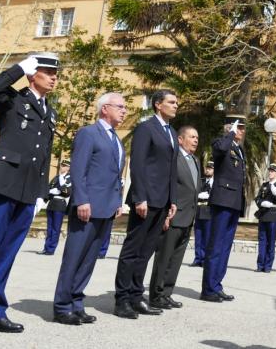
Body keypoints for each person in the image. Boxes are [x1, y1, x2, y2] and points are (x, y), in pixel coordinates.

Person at [0, 52, 59, 338]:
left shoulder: (49, 111)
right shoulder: (13, 99)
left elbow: (44, 154)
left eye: (55, 74)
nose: (54, 78)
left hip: (28, 190)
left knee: (7, 254)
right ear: (33, 74)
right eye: (47, 72)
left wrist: (42, 192)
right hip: (3, 183)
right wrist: (18, 68)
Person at [52, 92, 126, 325]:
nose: (124, 111)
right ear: (105, 108)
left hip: (107, 208)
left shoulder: (117, 140)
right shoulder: (88, 133)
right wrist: (81, 200)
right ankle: (62, 306)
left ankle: (76, 302)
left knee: (89, 260)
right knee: (74, 257)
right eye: (120, 107)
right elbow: (78, 169)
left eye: (125, 107)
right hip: (88, 207)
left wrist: (117, 202)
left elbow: (114, 176)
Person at [113, 89, 178, 319]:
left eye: (176, 102)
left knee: (147, 251)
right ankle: (122, 300)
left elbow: (171, 169)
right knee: (133, 249)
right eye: (171, 102)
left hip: (162, 201)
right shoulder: (146, 128)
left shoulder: (171, 132)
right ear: (158, 105)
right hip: (146, 200)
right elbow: (138, 165)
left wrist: (173, 200)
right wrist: (140, 197)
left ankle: (135, 295)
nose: (175, 105)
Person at [148, 125, 201, 309]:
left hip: (188, 218)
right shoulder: (173, 158)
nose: (195, 140)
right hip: (173, 216)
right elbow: (166, 186)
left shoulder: (195, 160)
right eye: (192, 137)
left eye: (197, 137)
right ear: (180, 139)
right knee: (164, 258)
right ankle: (155, 295)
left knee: (176, 259)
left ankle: (167, 293)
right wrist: (164, 214)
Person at [200, 115, 247, 302]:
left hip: (234, 201)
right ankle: (208, 289)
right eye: (239, 127)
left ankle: (216, 285)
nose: (242, 131)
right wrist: (230, 133)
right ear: (231, 127)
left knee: (225, 247)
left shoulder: (238, 149)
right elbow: (219, 149)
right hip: (222, 200)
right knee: (216, 245)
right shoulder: (221, 142)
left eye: (242, 128)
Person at [255, 163, 276, 273]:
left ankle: (268, 266)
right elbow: (257, 199)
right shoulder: (264, 185)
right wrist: (262, 203)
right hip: (263, 214)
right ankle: (260, 265)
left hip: (273, 214)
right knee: (262, 240)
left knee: (270, 241)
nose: (270, 173)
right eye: (270, 171)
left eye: (273, 171)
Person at [40, 159, 72, 255]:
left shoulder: (70, 178)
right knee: (49, 228)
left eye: (64, 166)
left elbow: (67, 191)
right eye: (61, 165)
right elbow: (49, 189)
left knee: (55, 228)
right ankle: (46, 248)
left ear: (68, 168)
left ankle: (51, 249)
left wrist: (59, 188)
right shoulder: (56, 177)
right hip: (52, 204)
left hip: (60, 204)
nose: (62, 167)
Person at [190, 161, 214, 267]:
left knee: (207, 236)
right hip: (199, 211)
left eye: (210, 168)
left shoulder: (215, 182)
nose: (208, 170)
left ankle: (205, 259)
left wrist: (209, 196)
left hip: (208, 212)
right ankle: (198, 258)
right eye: (207, 168)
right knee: (198, 236)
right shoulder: (201, 181)